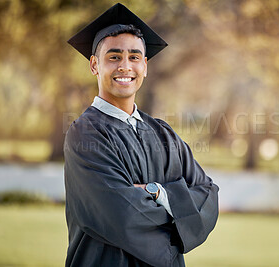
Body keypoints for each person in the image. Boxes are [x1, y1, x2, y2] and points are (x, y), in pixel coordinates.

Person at [64, 3, 219, 267]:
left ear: (145, 66)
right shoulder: (85, 134)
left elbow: (208, 196)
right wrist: (181, 215)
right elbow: (121, 215)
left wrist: (156, 193)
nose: (125, 66)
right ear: (94, 65)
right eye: (114, 57)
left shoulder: (163, 134)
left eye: (134, 57)